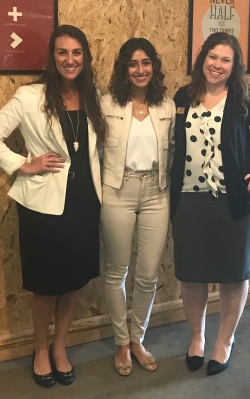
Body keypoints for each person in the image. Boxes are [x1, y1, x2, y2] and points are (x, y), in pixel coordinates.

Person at [0, 24, 107, 388]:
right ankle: (39, 350)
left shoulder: (92, 95)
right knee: (47, 285)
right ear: (53, 57)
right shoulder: (29, 96)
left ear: (85, 57)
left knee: (75, 281)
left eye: (77, 53)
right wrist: (23, 163)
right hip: (43, 206)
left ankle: (60, 346)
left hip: (85, 203)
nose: (70, 59)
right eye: (63, 52)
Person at [169, 32, 250, 376]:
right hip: (189, 201)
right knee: (192, 277)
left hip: (233, 202)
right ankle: (197, 338)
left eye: (225, 60)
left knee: (233, 276)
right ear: (202, 58)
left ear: (234, 67)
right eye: (212, 57)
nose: (217, 65)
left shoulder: (243, 99)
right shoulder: (183, 97)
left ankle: (224, 343)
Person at [100, 38, 175, 376]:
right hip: (118, 191)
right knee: (117, 271)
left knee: (147, 274)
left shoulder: (167, 107)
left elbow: (173, 151)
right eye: (133, 63)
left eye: (146, 63)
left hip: (157, 193)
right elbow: (93, 150)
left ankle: (137, 339)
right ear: (124, 68)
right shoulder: (107, 104)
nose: (140, 69)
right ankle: (121, 343)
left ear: (153, 67)